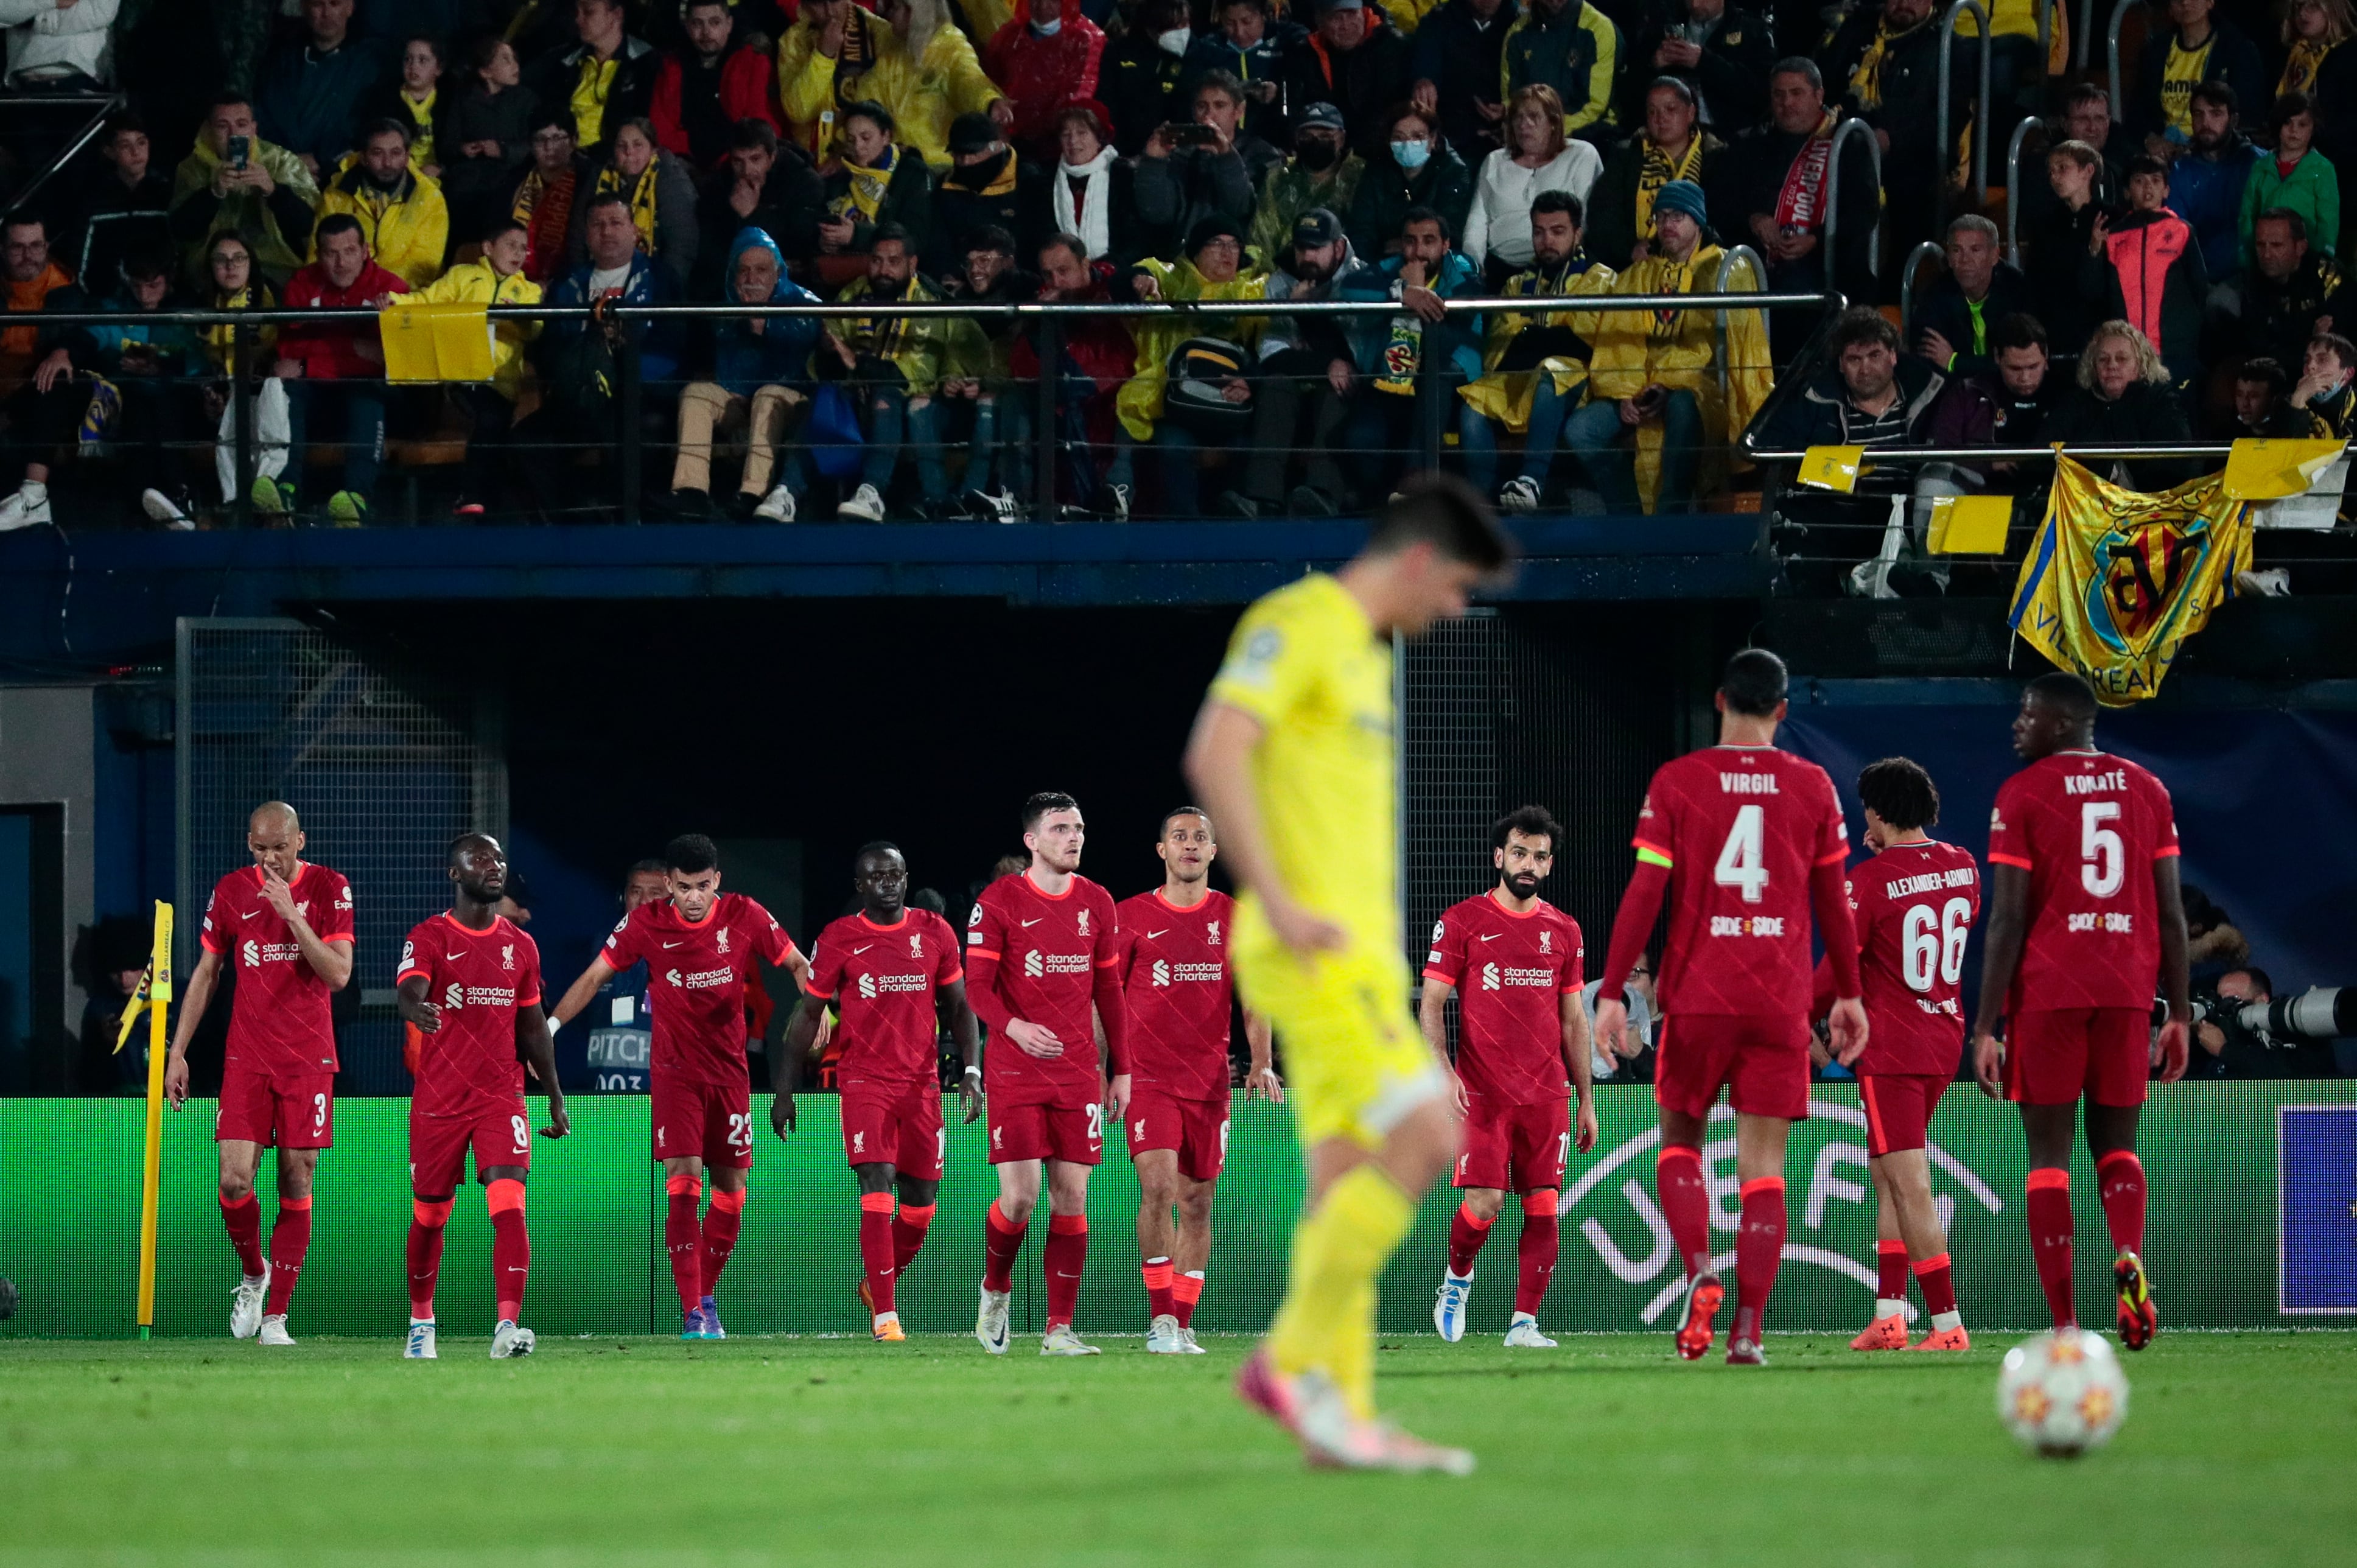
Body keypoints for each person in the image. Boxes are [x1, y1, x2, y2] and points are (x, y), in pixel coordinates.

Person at [1186, 474, 1513, 1472]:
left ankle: (1341, 1418)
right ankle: (1286, 1362)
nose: (1453, 610)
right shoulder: (1302, 620)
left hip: (1352, 955)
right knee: (1427, 1134)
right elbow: (1217, 749)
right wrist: (1278, 899)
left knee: (1340, 1188)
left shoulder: (1368, 662)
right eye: (1455, 587)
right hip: (1313, 951)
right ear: (1417, 558)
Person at [1590, 648, 1868, 1366]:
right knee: (1764, 1171)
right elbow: (1835, 905)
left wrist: (1614, 988)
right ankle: (1746, 1330)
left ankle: (1698, 1272)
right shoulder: (1811, 786)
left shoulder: (1679, 781)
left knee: (1679, 1142)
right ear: (1782, 709)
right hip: (1776, 1003)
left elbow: (1644, 893)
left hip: (1699, 997)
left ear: (1719, 700)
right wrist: (1848, 995)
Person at [1970, 671, 2190, 1350]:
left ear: (2061, 723)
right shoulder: (2146, 788)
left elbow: (2006, 918)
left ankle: (2065, 1322)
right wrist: (2178, 1011)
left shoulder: (2022, 793)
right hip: (2125, 988)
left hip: (2047, 991)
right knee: (2117, 1147)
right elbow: (2171, 914)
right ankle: (2127, 1252)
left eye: (2027, 713)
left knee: (2047, 1155)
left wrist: (1983, 1024)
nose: (2017, 724)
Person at [547, 833, 811, 1339]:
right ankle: (695, 1311)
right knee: (684, 1186)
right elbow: (595, 975)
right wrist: (552, 1029)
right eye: (684, 887)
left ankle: (704, 1297)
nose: (693, 898)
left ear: (718, 882)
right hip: (674, 1075)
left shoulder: (745, 914)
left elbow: (798, 963)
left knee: (732, 1197)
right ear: (668, 884)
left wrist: (815, 1007)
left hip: (730, 1076)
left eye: (702, 887)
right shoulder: (646, 923)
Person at [161, 803, 355, 1348]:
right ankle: (253, 1273)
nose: (270, 858)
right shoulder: (229, 892)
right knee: (234, 1180)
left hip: (308, 1059)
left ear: (300, 842)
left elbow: (339, 974)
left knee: (297, 1180)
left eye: (280, 847)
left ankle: (276, 1319)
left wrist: (292, 914)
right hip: (246, 1057)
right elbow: (207, 973)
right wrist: (178, 1052)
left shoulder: (329, 888)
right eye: (260, 848)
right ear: (249, 843)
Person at [776, 842, 979, 1343]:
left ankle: (875, 1284)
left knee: (922, 1202)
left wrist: (973, 1071)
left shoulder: (934, 932)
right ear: (860, 886)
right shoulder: (840, 938)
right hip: (865, 1081)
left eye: (895, 874)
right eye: (876, 876)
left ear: (906, 878)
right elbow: (807, 1016)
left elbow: (959, 1007)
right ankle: (886, 1316)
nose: (888, 882)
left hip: (923, 1084)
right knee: (878, 1179)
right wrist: (785, 1088)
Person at [1818, 758, 1980, 1354]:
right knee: (1887, 1172)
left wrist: (1786, 1009)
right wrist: (1890, 843)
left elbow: (1838, 963)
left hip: (1892, 1046)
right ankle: (1888, 1315)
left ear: (1877, 811)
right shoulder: (1963, 865)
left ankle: (1946, 1325)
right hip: (1943, 1037)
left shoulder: (1869, 880)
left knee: (1909, 1182)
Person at [1422, 805, 1597, 1349]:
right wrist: (1443, 1069)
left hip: (1546, 1093)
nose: (1529, 864)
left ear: (1548, 865)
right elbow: (1431, 1006)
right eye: (1519, 853)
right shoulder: (1463, 921)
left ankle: (1524, 1324)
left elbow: (1574, 1020)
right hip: (1481, 1092)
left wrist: (1586, 1098)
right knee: (1485, 1205)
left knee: (1544, 1205)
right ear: (1499, 856)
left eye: (1540, 856)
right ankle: (1457, 1280)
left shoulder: (1564, 930)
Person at [965, 793, 1131, 1357]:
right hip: (1014, 1069)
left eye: (1079, 827)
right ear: (1032, 841)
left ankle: (1058, 1329)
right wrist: (1014, 1029)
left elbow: (1110, 991)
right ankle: (995, 1289)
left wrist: (1120, 1070)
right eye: (1060, 829)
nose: (1074, 837)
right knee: (1021, 1199)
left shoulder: (1098, 902)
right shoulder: (998, 901)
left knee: (1071, 1196)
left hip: (1078, 1072)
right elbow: (977, 989)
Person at [394, 834, 568, 1362]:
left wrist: (555, 1094)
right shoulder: (429, 936)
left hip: (501, 1095)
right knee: (430, 1215)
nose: (494, 867)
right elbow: (409, 989)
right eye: (481, 859)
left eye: (498, 859)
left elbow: (533, 1024)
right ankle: (421, 1322)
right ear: (455, 873)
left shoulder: (521, 945)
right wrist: (414, 1008)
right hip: (440, 1099)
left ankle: (507, 1326)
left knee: (510, 1201)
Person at [1113, 808, 1279, 1354]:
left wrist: (1261, 1062)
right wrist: (1106, 1069)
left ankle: (1183, 1323)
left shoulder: (1235, 919)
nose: (1189, 845)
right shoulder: (1131, 916)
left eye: (1200, 838)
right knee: (1158, 1188)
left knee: (1199, 1203)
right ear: (1162, 850)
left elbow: (1255, 999)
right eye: (1179, 837)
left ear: (1213, 851)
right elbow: (1105, 1001)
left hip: (1209, 1083)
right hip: (1148, 1078)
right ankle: (1160, 1320)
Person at [1573, 180, 1770, 515]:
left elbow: (1709, 347)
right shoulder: (1640, 274)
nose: (1666, 225)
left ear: (1697, 220)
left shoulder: (1725, 269)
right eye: (1661, 216)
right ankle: (1628, 516)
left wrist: (1668, 383)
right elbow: (1621, 339)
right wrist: (1624, 394)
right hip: (1641, 388)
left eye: (1677, 216)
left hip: (1698, 389)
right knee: (1581, 430)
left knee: (1682, 405)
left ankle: (1670, 516)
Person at [1459, 188, 1614, 509]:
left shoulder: (1601, 279)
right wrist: (1550, 336)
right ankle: (1482, 504)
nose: (1547, 241)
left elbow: (1584, 344)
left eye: (1558, 232)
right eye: (1539, 232)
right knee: (1472, 405)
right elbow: (1502, 350)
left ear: (1578, 234)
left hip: (1576, 382)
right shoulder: (1516, 284)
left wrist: (1535, 337)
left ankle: (1531, 481)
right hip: (1521, 377)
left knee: (1553, 371)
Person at [1108, 212, 1270, 520]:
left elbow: (1269, 351)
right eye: (1217, 244)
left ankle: (1235, 530)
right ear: (1196, 251)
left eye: (1235, 245)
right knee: (1173, 447)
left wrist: (1251, 380)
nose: (1227, 252)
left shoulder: (1253, 291)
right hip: (1173, 403)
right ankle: (1184, 528)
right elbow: (1124, 278)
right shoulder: (1169, 278)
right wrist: (1139, 280)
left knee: (1246, 446)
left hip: (1229, 405)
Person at [1711, 60, 1875, 354]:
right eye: (1779, 94)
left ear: (1819, 95)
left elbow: (1864, 212)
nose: (1787, 103)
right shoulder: (1749, 146)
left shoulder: (1849, 144)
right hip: (1759, 267)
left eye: (1796, 93)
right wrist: (1754, 219)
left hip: (1831, 268)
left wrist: (1817, 239)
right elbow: (1721, 205)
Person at [1224, 206, 1378, 517]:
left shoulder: (1362, 281)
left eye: (1316, 248)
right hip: (1297, 386)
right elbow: (1273, 353)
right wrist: (1326, 363)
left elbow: (1355, 357)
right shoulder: (1281, 283)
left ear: (1338, 247)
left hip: (1348, 393)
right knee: (1276, 384)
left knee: (1339, 385)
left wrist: (1306, 317)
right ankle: (1262, 499)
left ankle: (1324, 494)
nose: (1307, 257)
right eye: (1301, 248)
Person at [397, 220, 544, 520]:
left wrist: (518, 318)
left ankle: (492, 506)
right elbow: (426, 301)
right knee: (490, 418)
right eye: (510, 245)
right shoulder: (463, 276)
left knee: (499, 426)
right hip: (465, 375)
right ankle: (473, 495)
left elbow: (535, 330)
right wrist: (393, 301)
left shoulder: (527, 289)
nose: (518, 253)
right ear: (488, 248)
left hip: (504, 384)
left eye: (523, 247)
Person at [671, 226, 819, 520]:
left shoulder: (803, 301)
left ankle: (754, 494)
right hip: (740, 397)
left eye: (761, 270)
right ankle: (691, 492)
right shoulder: (727, 308)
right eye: (744, 271)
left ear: (778, 273)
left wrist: (767, 326)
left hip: (791, 402)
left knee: (767, 396)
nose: (751, 280)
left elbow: (808, 334)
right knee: (696, 393)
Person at [1337, 207, 1485, 497]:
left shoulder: (1462, 270)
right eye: (1410, 241)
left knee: (1437, 374)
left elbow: (1459, 318)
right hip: (1392, 379)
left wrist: (1419, 290)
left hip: (1449, 383)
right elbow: (1351, 288)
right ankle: (1385, 506)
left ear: (1445, 245)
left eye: (1429, 241)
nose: (1418, 251)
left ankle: (1415, 489)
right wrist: (1403, 292)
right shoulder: (1393, 268)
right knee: (1360, 440)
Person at [271, 215, 407, 527]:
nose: (341, 262)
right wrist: (356, 349)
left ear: (365, 251)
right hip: (320, 401)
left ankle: (356, 499)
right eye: (331, 253)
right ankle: (286, 490)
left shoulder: (390, 288)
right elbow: (288, 356)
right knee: (290, 388)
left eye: (349, 251)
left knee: (366, 389)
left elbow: (394, 361)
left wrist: (313, 360)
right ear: (319, 255)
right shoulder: (301, 285)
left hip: (379, 403)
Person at [1820, 0, 1981, 261]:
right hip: (1845, 150)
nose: (1904, 4)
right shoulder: (1855, 30)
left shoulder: (1950, 46)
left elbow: (1950, 120)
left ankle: (1893, 293)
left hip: (1912, 164)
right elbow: (1826, 85)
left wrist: (1892, 139)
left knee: (1911, 200)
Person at [825, 225, 955, 520]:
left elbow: (917, 375)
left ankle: (872, 492)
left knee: (887, 394)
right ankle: (787, 493)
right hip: (858, 395)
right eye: (876, 260)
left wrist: (857, 364)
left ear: (912, 264)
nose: (883, 270)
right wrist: (829, 349)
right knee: (822, 397)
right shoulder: (855, 292)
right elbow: (832, 335)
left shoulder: (928, 302)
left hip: (925, 401)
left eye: (893, 262)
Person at [838, 0, 1012, 171]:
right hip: (896, 164)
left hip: (939, 166)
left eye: (895, 7)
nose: (890, 14)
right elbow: (868, 99)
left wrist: (989, 101)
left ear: (914, 13)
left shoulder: (951, 47)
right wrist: (844, 143)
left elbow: (967, 81)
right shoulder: (894, 48)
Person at [170, 96, 320, 291]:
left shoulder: (282, 162)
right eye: (223, 126)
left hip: (277, 272)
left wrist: (273, 191)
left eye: (241, 125)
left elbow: (310, 227)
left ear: (254, 128)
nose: (234, 135)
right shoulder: (192, 168)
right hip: (210, 274)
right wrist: (213, 193)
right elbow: (180, 233)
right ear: (209, 130)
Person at [2085, 154, 2207, 391]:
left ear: (2166, 190)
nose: (2148, 187)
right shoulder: (2112, 236)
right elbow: (2092, 292)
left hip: (2174, 351)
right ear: (2128, 192)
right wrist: (2093, 251)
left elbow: (2199, 289)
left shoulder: (2182, 231)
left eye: (2155, 181)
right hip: (2126, 356)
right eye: (2139, 181)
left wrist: (2185, 333)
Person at [192, 232, 291, 520]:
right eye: (221, 260)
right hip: (229, 396)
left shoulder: (272, 296)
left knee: (268, 395)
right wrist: (211, 393)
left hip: (268, 389)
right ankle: (236, 501)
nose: (230, 266)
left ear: (251, 263)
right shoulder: (202, 306)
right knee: (230, 415)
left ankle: (266, 488)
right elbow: (199, 363)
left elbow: (284, 350)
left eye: (239, 258)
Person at [1462, 85, 1602, 279]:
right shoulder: (1495, 161)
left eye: (1533, 117)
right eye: (1518, 118)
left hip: (1562, 266)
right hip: (1501, 268)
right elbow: (1477, 222)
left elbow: (1587, 219)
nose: (1523, 124)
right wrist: (1474, 266)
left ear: (1553, 122)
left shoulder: (1582, 155)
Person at [1138, 71, 1281, 260]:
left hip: (1239, 261)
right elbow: (1157, 214)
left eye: (1220, 105)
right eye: (1201, 106)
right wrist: (1153, 162)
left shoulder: (1262, 155)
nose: (1209, 115)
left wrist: (1226, 157)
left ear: (1239, 111)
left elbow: (1242, 210)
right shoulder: (1178, 156)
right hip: (1184, 260)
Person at [1585, 77, 1721, 271]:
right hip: (1637, 267)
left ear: (1691, 113)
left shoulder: (1716, 156)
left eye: (1670, 109)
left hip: (1701, 265)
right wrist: (1629, 249)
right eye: (1652, 111)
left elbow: (1725, 218)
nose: (1660, 118)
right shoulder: (1626, 156)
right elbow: (1603, 217)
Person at [2042, 319, 2198, 488]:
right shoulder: (2075, 403)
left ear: (2141, 365)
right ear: (2093, 366)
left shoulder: (2161, 401)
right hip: (2085, 503)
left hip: (2151, 504)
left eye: (2122, 359)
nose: (2112, 366)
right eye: (2103, 359)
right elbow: (2043, 454)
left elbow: (2177, 463)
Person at [312, 120, 451, 292]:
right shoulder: (336, 194)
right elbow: (318, 255)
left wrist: (374, 293)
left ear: (407, 157)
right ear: (362, 157)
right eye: (378, 153)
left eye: (396, 153)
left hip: (403, 301)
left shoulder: (429, 199)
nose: (387, 163)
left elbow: (420, 270)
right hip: (343, 295)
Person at [651, 0, 784, 174]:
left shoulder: (752, 63)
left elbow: (760, 125)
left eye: (715, 23)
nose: (706, 32)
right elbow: (660, 126)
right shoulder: (672, 68)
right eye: (698, 23)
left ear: (729, 24)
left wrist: (727, 165)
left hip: (738, 167)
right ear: (687, 26)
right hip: (683, 168)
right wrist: (682, 161)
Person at [2124, 0, 2264, 162]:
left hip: (2216, 153)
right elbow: (2136, 112)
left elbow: (2249, 116)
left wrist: (2198, 147)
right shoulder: (2155, 51)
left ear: (2210, 2)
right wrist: (2150, 140)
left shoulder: (2238, 50)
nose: (2185, 2)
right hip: (2162, 154)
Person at [254, 0, 380, 178]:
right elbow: (265, 116)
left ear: (350, 8)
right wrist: (291, 161)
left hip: (343, 176)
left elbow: (367, 124)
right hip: (282, 172)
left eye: (334, 4)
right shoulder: (282, 60)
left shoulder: (369, 64)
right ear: (305, 9)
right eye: (317, 5)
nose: (326, 13)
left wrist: (323, 158)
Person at [2213, 209, 2341, 382]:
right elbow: (2261, 351)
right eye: (2260, 245)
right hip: (2275, 378)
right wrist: (2312, 341)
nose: (2266, 255)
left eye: (2277, 245)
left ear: (2301, 247)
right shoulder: (2252, 284)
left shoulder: (2327, 276)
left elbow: (2342, 344)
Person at [1281, 0, 1413, 164]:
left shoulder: (1392, 47)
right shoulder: (1304, 55)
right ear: (1320, 22)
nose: (1345, 25)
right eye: (1336, 18)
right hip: (1324, 152)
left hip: (1379, 153)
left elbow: (1391, 111)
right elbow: (1297, 112)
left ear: (1364, 13)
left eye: (1352, 15)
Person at [572, 116, 698, 287]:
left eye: (638, 145)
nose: (629, 152)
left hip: (656, 280)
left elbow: (681, 244)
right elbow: (579, 232)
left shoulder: (671, 180)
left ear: (653, 149)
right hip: (599, 278)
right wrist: (580, 281)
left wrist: (666, 290)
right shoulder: (599, 177)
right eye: (621, 146)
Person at [525, 0, 660, 156]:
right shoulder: (566, 60)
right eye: (577, 13)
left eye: (589, 12)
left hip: (618, 159)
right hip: (564, 157)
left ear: (616, 15)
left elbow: (644, 124)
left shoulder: (646, 63)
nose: (578, 19)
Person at [440, 38, 540, 248]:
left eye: (514, 59)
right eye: (506, 60)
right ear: (486, 72)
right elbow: (448, 145)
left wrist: (503, 150)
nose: (515, 65)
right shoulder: (464, 99)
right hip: (469, 179)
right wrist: (463, 150)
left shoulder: (526, 100)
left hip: (509, 178)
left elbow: (535, 145)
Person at [1620, 0, 1773, 133]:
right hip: (1669, 136)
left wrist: (1704, 61)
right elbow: (1629, 97)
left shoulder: (1752, 29)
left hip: (1732, 137)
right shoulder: (1662, 31)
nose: (1695, 4)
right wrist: (1653, 65)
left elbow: (1761, 93)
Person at [1345, 103, 1472, 260]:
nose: (1407, 144)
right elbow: (1361, 231)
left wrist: (1404, 245)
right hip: (1380, 263)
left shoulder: (1453, 171)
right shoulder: (1376, 171)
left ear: (1433, 139)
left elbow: (1450, 233)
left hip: (1434, 265)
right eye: (1399, 138)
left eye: (1417, 137)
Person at [986, 0, 1107, 161]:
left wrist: (1059, 132)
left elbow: (1080, 94)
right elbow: (990, 82)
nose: (1043, 6)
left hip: (1062, 145)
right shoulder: (1008, 36)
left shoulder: (1087, 38)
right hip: (1010, 140)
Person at [69, 115, 173, 303]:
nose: (136, 152)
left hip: (160, 301)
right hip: (109, 304)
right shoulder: (95, 198)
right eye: (126, 146)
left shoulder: (166, 193)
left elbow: (178, 249)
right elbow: (81, 259)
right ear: (109, 152)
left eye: (141, 143)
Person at [1914, 214, 2030, 380]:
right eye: (1957, 250)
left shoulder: (2019, 291)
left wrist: (1954, 362)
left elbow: (2020, 365)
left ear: (1995, 256)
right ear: (1949, 258)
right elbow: (1930, 365)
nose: (1965, 260)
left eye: (1975, 250)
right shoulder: (1934, 297)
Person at [2023, 139, 2108, 362]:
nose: (2054, 177)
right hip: (2055, 339)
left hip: (2100, 339)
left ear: (2088, 171)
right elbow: (2034, 285)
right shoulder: (2045, 225)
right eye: (2051, 171)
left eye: (2062, 168)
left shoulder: (2112, 220)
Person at [2168, 81, 2261, 284]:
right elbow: (2176, 233)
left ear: (2234, 119)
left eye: (2216, 114)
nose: (2206, 122)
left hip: (2255, 278)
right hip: (2199, 281)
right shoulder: (2180, 171)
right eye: (2199, 114)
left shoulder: (2258, 164)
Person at [1249, 101, 1364, 264]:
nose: (1315, 141)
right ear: (1297, 139)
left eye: (1325, 136)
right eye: (1307, 136)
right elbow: (1262, 238)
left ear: (1341, 138)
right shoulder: (1279, 179)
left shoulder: (1360, 176)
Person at [818, 102, 933, 261]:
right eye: (851, 140)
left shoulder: (912, 174)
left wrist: (857, 235)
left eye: (866, 138)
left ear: (886, 137)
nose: (858, 147)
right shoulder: (839, 172)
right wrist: (825, 240)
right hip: (840, 266)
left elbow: (916, 239)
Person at [1408, 0, 1515, 166]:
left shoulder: (1521, 24)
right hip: (1452, 136)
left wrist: (1510, 110)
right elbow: (1425, 67)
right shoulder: (1438, 21)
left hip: (1506, 139)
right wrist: (1423, 81)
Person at [1188, 0, 1306, 149]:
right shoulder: (1207, 50)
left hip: (1275, 144)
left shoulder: (1289, 41)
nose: (1239, 31)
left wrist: (1280, 93)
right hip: (1220, 145)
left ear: (1264, 15)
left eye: (1247, 21)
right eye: (1230, 23)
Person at [2239, 94, 2339, 270]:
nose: (2294, 130)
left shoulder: (2323, 170)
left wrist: (2323, 261)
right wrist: (2247, 260)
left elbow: (2328, 222)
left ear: (2313, 128)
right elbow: (2248, 217)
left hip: (2306, 264)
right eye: (2288, 123)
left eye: (2302, 124)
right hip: (2265, 263)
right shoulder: (2261, 167)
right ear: (2278, 125)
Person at [1501, 0, 1620, 145]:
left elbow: (1595, 105)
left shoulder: (1598, 29)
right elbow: (1512, 99)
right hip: (1531, 135)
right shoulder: (1516, 34)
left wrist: (1550, 130)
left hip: (1588, 136)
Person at [930, 113, 1033, 276]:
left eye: (973, 153)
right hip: (960, 283)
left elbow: (1033, 241)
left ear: (996, 147)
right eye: (958, 154)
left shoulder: (1027, 180)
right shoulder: (945, 187)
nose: (965, 162)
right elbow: (938, 244)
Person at [2277, 0, 2356, 191]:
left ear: (2333, 9)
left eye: (2313, 6)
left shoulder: (2351, 57)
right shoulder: (2294, 55)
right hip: (2294, 155)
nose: (2303, 13)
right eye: (2299, 6)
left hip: (2341, 168)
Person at [1046, 105, 1140, 264]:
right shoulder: (1046, 182)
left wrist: (1104, 270)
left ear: (1099, 138)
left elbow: (1136, 239)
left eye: (1082, 133)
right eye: (1066, 135)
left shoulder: (1123, 175)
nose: (1073, 141)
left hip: (1117, 273)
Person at [1101, 0, 1193, 155]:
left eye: (1184, 24)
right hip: (1125, 153)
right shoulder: (1117, 53)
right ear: (1152, 27)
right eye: (1172, 26)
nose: (1180, 32)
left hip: (1174, 156)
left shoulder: (1192, 55)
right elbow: (1108, 106)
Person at [505, 113, 588, 284]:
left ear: (574, 141)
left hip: (570, 277)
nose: (549, 146)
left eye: (558, 138)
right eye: (540, 139)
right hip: (518, 277)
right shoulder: (514, 180)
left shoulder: (588, 181)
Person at [365, 35, 447, 181]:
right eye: (408, 60)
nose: (413, 67)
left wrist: (442, 169)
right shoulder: (386, 99)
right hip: (397, 171)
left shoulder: (448, 101)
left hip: (435, 173)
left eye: (422, 61)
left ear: (438, 69)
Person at [2287, 329, 2356, 437]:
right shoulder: (2287, 404)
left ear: (2348, 373)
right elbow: (2291, 451)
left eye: (2322, 360)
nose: (2310, 366)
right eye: (2307, 360)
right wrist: (2298, 403)